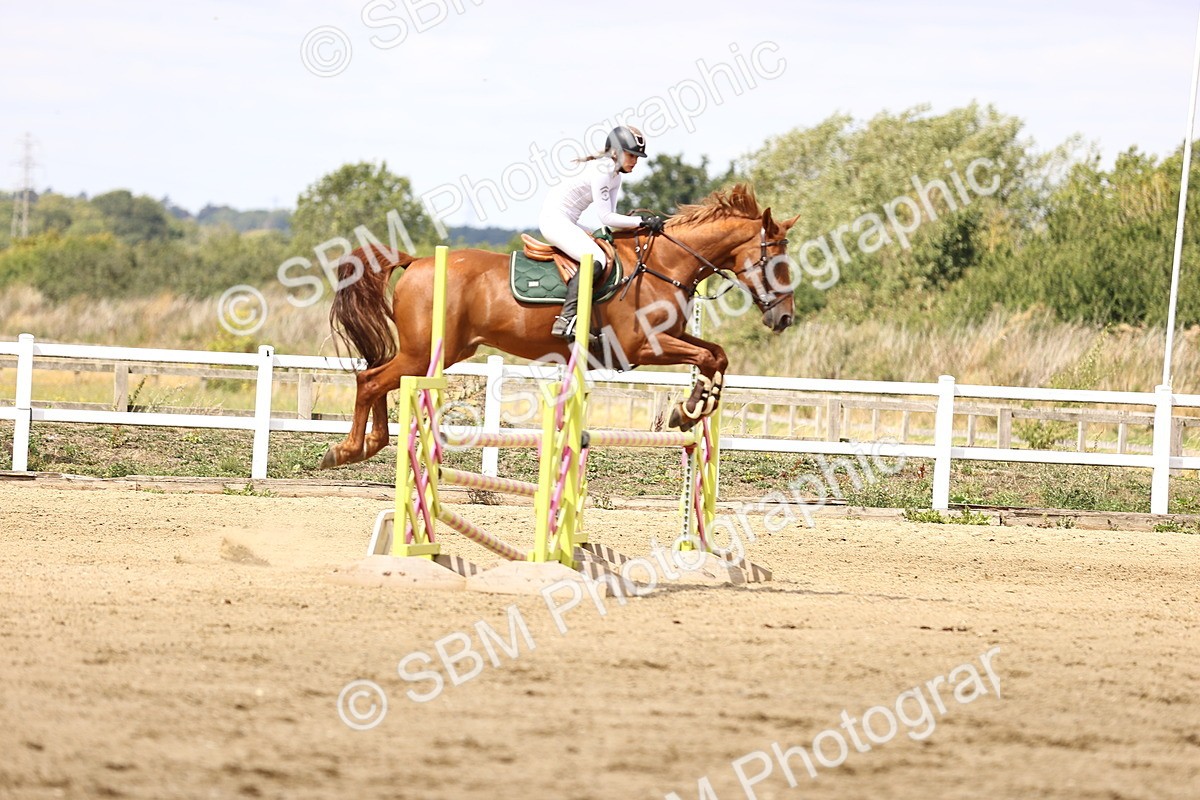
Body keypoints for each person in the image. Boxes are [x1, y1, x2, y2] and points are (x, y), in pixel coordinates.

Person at [538, 124, 664, 339]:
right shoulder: (603, 171)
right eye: (631, 155)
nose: (635, 162)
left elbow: (611, 219)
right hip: (554, 221)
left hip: (568, 221)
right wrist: (642, 221)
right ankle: (566, 319)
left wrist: (640, 223)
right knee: (596, 258)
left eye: (637, 157)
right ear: (615, 152)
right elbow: (605, 217)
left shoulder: (615, 175)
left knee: (607, 248)